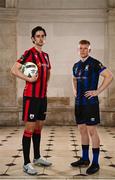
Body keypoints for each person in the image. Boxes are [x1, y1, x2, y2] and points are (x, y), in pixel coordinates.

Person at [11, 26, 52, 175]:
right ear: (33, 38)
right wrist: (28, 78)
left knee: (39, 128)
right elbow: (14, 69)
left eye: (42, 36)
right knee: (29, 129)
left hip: (42, 97)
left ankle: (37, 157)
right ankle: (26, 163)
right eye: (38, 36)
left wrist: (45, 84)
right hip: (31, 97)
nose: (40, 38)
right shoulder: (29, 53)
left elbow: (48, 72)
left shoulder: (46, 56)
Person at [71, 40, 113, 175]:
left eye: (85, 48)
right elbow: (73, 79)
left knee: (92, 131)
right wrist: (75, 91)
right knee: (82, 130)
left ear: (90, 50)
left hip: (91, 104)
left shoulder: (94, 63)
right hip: (79, 104)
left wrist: (97, 92)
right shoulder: (76, 66)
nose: (83, 50)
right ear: (78, 50)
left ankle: (95, 162)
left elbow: (109, 76)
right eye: (81, 48)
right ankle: (84, 159)